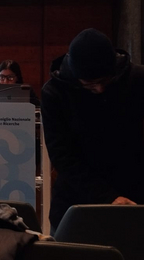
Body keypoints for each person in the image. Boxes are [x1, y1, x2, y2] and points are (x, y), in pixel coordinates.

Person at [40, 28, 144, 231]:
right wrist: (107, 197)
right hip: (77, 202)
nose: (100, 89)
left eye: (105, 81)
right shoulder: (55, 93)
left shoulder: (137, 79)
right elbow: (63, 158)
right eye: (90, 84)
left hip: (134, 195)